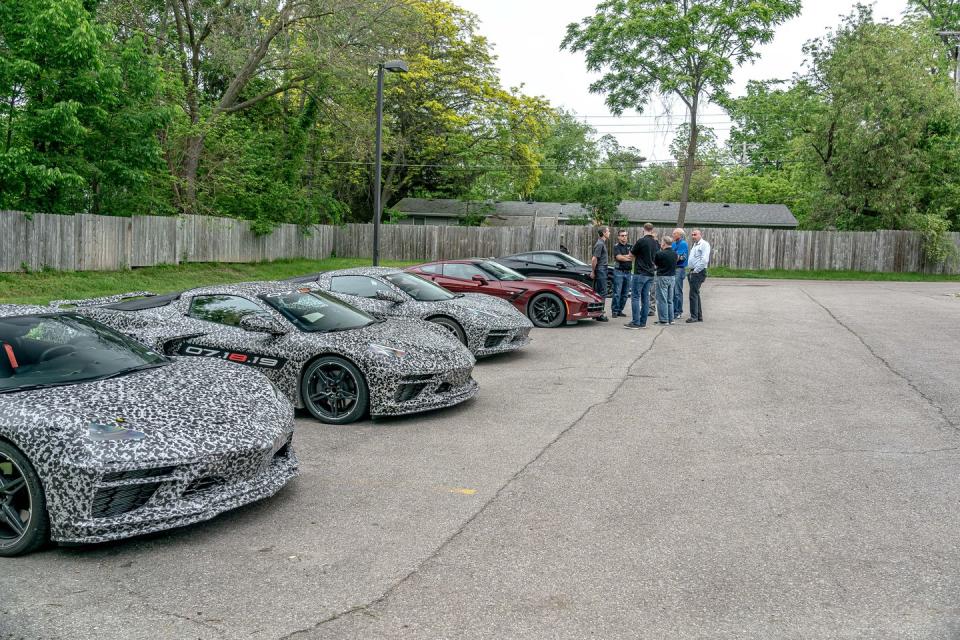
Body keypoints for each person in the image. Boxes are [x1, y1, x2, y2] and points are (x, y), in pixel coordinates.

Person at [626, 223, 658, 329]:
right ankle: (643, 322)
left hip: (640, 272)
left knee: (635, 297)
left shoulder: (641, 241)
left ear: (643, 229)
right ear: (652, 230)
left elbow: (631, 254)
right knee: (645, 298)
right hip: (650, 273)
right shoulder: (655, 242)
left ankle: (636, 322)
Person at [686, 229, 711, 323]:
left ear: (700, 235)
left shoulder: (704, 244)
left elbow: (704, 260)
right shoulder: (695, 245)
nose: (693, 236)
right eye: (692, 234)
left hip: (698, 272)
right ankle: (698, 316)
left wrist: (696, 271)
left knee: (693, 294)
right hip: (693, 271)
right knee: (695, 293)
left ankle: (694, 316)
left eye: (695, 234)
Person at [654, 236, 678, 325]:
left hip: (662, 277)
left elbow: (656, 264)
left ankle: (664, 320)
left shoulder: (660, 254)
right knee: (670, 299)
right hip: (672, 277)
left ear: (664, 243)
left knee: (662, 299)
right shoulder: (675, 254)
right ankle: (671, 319)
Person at [611, 229, 633, 318]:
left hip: (628, 272)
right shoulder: (616, 247)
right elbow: (618, 257)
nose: (624, 237)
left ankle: (620, 310)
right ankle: (615, 311)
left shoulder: (630, 246)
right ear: (618, 237)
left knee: (625, 293)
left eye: (625, 235)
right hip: (619, 272)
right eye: (622, 235)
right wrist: (627, 257)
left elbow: (633, 257)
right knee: (617, 292)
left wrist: (625, 257)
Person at [591, 226, 610, 322]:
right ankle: (600, 314)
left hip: (602, 269)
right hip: (601, 269)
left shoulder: (602, 243)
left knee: (598, 293)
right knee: (603, 292)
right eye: (608, 231)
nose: (609, 232)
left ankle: (596, 313)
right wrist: (593, 271)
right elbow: (594, 259)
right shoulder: (600, 244)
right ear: (604, 233)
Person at [671, 228, 688, 319]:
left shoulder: (683, 244)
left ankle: (678, 311)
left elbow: (680, 257)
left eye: (674, 233)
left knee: (677, 291)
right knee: (672, 291)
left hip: (679, 269)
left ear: (679, 235)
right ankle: (673, 310)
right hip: (673, 268)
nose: (672, 235)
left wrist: (670, 257)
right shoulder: (673, 244)